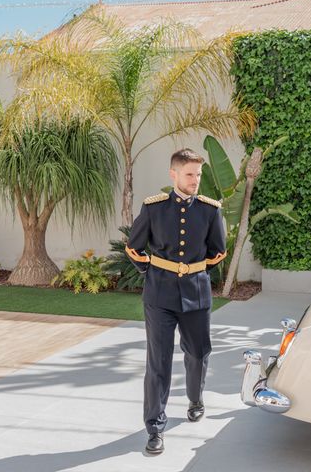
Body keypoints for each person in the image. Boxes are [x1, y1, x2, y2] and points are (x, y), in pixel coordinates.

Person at [125, 148, 227, 455]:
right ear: (174, 174)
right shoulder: (154, 208)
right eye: (189, 175)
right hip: (159, 295)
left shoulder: (210, 210)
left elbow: (218, 252)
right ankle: (155, 427)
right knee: (158, 362)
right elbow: (134, 247)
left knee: (198, 353)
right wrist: (153, 270)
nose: (195, 180)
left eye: (198, 175)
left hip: (196, 294)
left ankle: (196, 398)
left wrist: (195, 273)